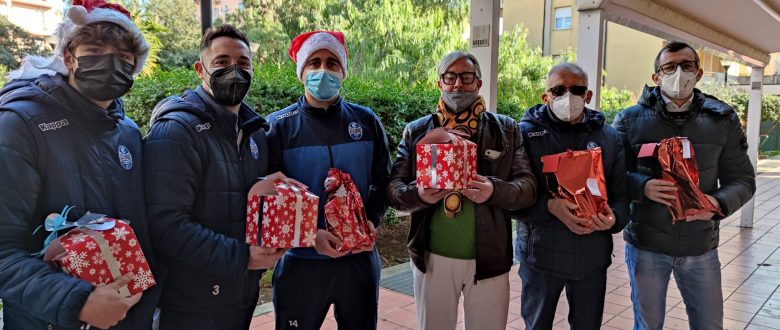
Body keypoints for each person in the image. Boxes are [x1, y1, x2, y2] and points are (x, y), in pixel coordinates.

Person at [0, 1, 162, 329]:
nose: (109, 62)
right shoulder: (19, 125)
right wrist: (77, 300)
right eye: (95, 49)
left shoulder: (128, 132)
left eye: (123, 56)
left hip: (132, 315)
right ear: (68, 57)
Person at [143, 24, 286, 329]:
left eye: (243, 63)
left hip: (240, 293)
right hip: (190, 303)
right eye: (222, 62)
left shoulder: (254, 132)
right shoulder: (177, 131)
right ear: (200, 69)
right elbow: (165, 225)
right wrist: (242, 257)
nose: (234, 71)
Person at [387, 51, 536, 330]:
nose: (457, 85)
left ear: (478, 83)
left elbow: (527, 188)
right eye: (450, 77)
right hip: (431, 259)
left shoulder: (507, 130)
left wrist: (493, 189)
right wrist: (418, 194)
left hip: (489, 260)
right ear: (439, 83)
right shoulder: (417, 131)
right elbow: (394, 190)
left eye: (466, 77)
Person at [613, 41, 755, 330]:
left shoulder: (722, 119)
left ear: (699, 73)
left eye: (686, 66)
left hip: (700, 244)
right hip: (647, 245)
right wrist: (642, 186)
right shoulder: (628, 120)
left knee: (709, 324)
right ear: (656, 76)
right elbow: (612, 176)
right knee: (648, 325)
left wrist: (717, 204)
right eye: (669, 67)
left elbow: (743, 179)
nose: (679, 72)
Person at [266, 30, 392, 330]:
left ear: (343, 71)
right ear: (301, 72)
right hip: (301, 262)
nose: (323, 70)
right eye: (315, 62)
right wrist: (310, 235)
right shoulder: (277, 127)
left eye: (332, 63)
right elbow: (267, 197)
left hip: (358, 261)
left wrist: (371, 221)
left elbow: (383, 179)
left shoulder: (365, 121)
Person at [514, 63, 628, 329]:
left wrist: (614, 219)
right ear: (546, 96)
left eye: (577, 90)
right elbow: (512, 198)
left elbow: (622, 196)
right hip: (540, 258)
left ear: (588, 95)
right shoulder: (525, 135)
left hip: (592, 259)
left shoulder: (609, 137)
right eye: (558, 90)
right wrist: (548, 206)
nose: (568, 96)